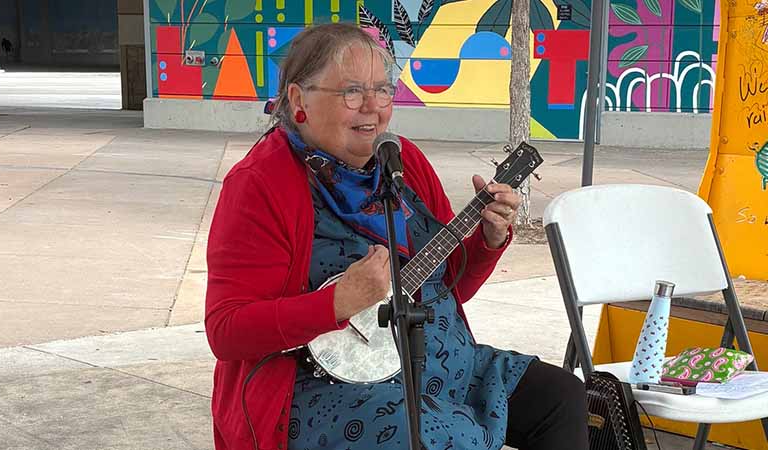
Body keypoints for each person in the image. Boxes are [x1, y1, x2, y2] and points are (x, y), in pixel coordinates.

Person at [205, 23, 589, 450]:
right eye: (352, 92)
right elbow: (226, 331)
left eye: (383, 90)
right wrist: (337, 302)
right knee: (426, 436)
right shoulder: (259, 184)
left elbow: (448, 285)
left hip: (441, 361)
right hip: (323, 386)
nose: (372, 107)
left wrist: (488, 240)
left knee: (561, 397)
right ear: (299, 101)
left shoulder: (401, 161)